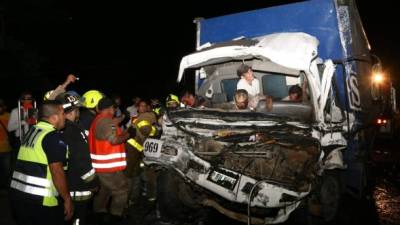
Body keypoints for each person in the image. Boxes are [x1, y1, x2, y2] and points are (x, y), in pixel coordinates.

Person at [9, 100, 73, 225]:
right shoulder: (53, 137)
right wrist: (67, 199)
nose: (65, 116)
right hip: (42, 203)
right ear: (54, 118)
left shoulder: (32, 131)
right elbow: (57, 171)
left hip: (19, 196)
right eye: (62, 114)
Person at [56, 92, 98, 225]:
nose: (79, 112)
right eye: (78, 109)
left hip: (64, 187)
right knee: (78, 219)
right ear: (73, 110)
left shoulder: (59, 128)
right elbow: (82, 162)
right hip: (78, 188)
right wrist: (94, 183)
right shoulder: (73, 131)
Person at [89, 97, 131, 224]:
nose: (115, 109)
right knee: (122, 191)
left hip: (102, 166)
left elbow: (113, 123)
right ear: (109, 109)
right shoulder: (106, 122)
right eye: (114, 107)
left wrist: (123, 117)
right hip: (108, 167)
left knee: (104, 191)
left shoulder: (99, 120)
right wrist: (130, 134)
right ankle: (115, 217)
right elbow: (114, 140)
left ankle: (99, 214)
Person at [0, 99, 12, 189]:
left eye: (1, 106)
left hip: (6, 148)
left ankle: (5, 186)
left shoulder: (8, 115)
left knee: (7, 170)